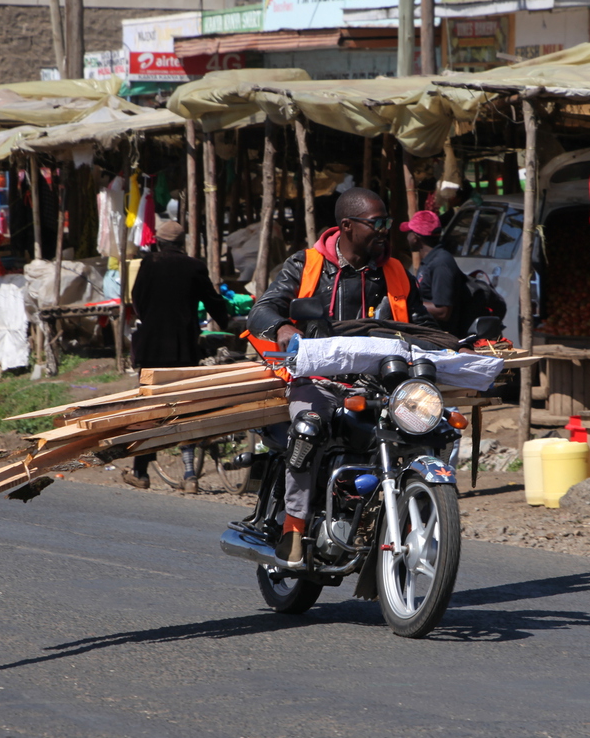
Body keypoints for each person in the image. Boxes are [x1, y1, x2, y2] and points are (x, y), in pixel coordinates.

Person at [248, 187, 435, 569]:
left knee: (432, 426)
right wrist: (283, 328)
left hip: (380, 382)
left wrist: (457, 345)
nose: (384, 230)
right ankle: (294, 528)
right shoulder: (306, 264)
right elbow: (263, 309)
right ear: (347, 226)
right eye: (376, 223)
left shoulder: (395, 271)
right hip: (316, 379)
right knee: (308, 427)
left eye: (387, 223)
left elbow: (421, 324)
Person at [125, 219, 232, 492]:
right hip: (184, 350)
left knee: (149, 411)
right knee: (183, 407)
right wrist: (228, 322)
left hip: (150, 350)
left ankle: (140, 472)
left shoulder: (149, 264)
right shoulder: (194, 266)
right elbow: (213, 301)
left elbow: (137, 301)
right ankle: (189, 475)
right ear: (181, 244)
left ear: (158, 242)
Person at [404, 209, 467, 337]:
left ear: (416, 238)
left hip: (443, 338)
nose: (407, 237)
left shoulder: (441, 263)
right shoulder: (429, 261)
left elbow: (443, 311)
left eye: (409, 232)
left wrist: (408, 303)